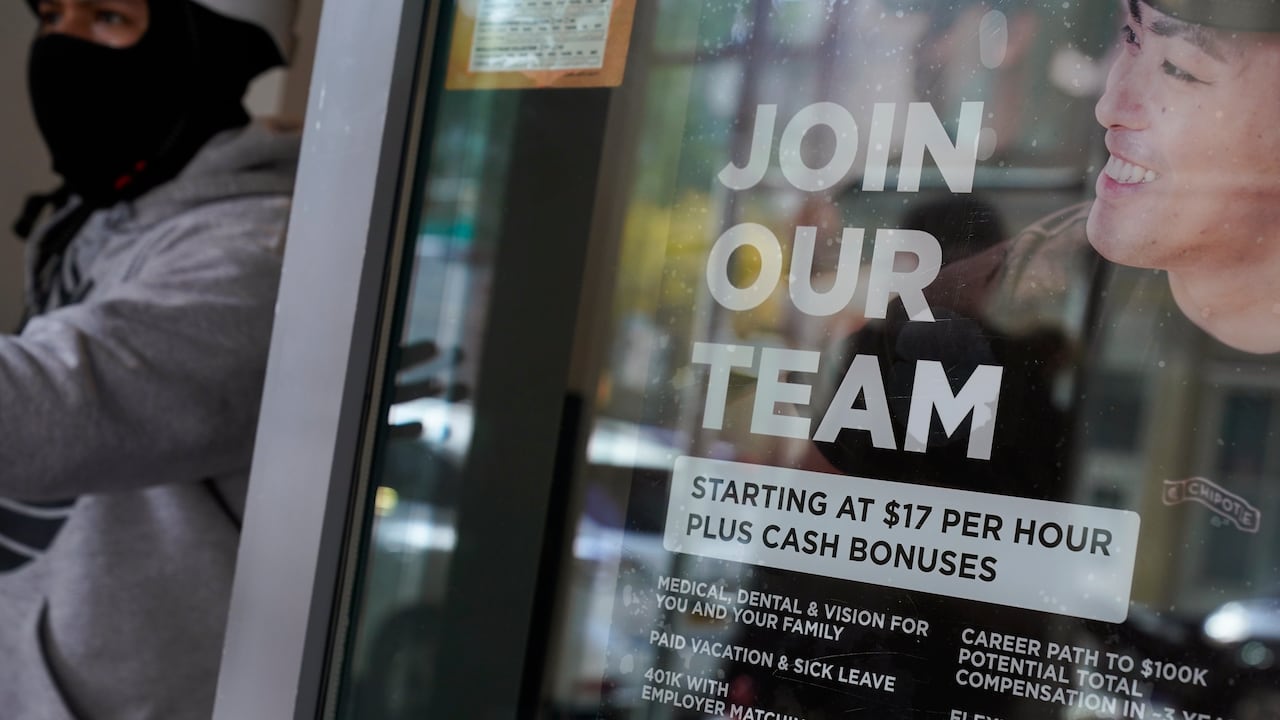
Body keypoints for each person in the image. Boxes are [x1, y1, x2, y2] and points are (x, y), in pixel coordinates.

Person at [0, 0, 298, 717]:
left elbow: (56, 407)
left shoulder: (261, 256)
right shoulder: (104, 217)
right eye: (52, 15)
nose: (60, 44)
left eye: (107, 16)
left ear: (210, 52)